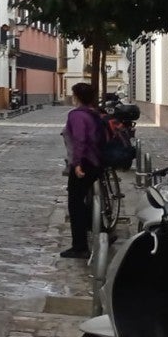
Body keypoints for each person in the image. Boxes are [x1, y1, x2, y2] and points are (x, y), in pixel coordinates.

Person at [61, 82, 103, 258]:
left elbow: (80, 140)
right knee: (81, 201)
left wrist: (77, 164)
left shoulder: (77, 116)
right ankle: (101, 230)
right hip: (96, 161)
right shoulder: (93, 113)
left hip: (84, 163)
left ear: (76, 96)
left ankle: (80, 246)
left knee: (75, 203)